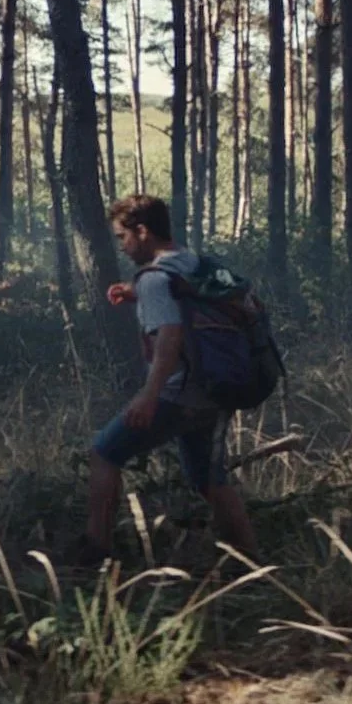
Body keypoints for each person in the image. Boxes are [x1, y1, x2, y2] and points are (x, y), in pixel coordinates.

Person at [71, 194, 261, 567]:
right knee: (209, 479)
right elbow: (187, 302)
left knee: (104, 454)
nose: (122, 247)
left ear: (142, 232)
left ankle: (96, 552)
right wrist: (134, 291)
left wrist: (149, 395)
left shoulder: (156, 280)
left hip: (175, 396)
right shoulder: (192, 262)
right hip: (212, 391)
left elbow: (170, 338)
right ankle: (250, 559)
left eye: (123, 237)